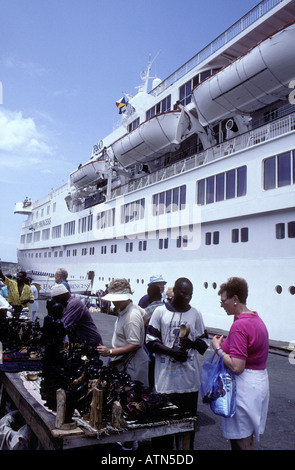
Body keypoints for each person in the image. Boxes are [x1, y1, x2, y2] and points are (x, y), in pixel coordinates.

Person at [146, 277, 209, 449]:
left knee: (186, 433)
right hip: (165, 383)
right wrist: (171, 351)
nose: (187, 297)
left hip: (189, 385)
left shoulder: (195, 314)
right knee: (162, 433)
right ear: (174, 292)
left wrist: (191, 343)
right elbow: (150, 342)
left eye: (190, 294)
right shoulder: (160, 312)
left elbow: (204, 345)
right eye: (183, 293)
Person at [211, 277, 269, 451]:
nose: (221, 305)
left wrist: (217, 349)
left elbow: (237, 366)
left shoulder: (240, 326)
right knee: (246, 437)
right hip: (258, 382)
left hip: (244, 387)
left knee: (241, 441)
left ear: (235, 299)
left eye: (224, 301)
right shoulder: (256, 319)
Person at [97, 278, 149, 388]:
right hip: (126, 360)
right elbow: (145, 315)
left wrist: (110, 351)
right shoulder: (128, 309)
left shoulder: (131, 316)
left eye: (116, 300)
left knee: (132, 395)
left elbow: (134, 345)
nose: (113, 302)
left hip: (132, 363)